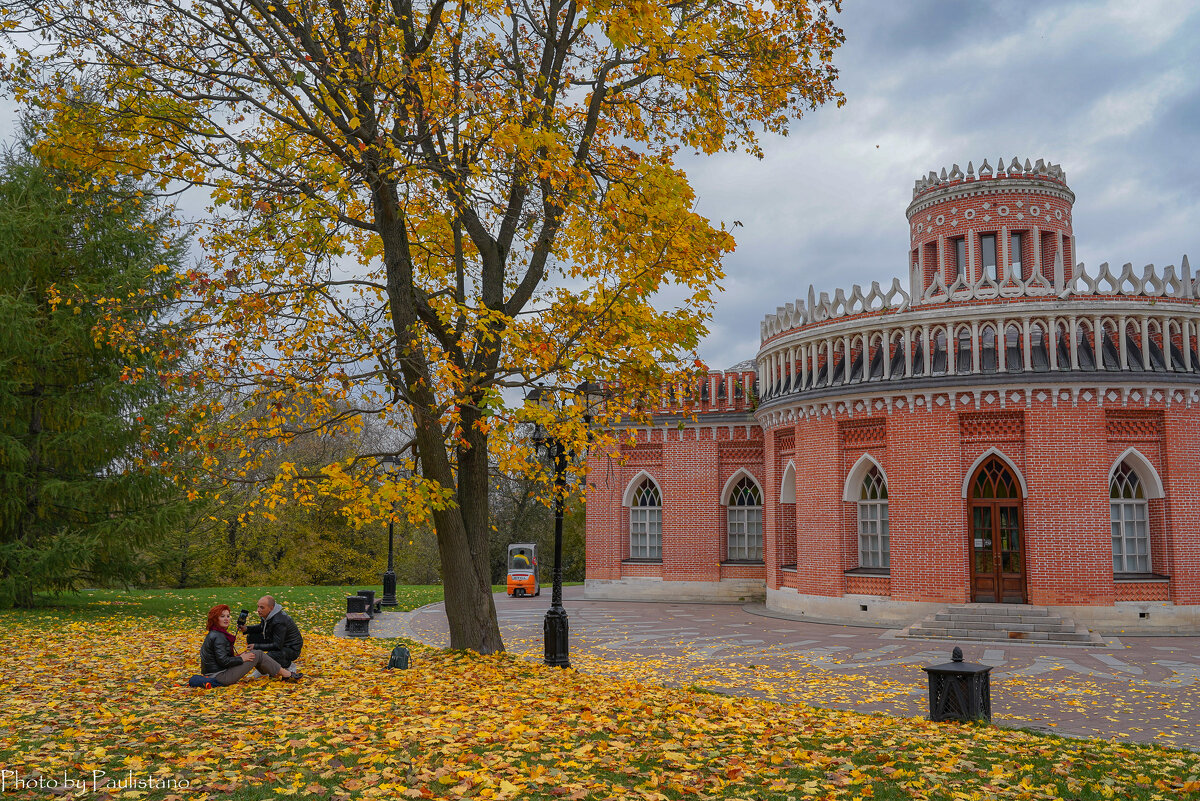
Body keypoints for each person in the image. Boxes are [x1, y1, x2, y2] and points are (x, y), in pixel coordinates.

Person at [200, 604, 300, 685]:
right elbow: (223, 661)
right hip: (220, 677)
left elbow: (221, 659)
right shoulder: (219, 637)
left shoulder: (215, 633)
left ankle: (272, 672)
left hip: (216, 673)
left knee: (254, 653)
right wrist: (241, 658)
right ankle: (287, 674)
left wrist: (241, 656)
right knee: (258, 654)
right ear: (215, 619)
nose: (226, 619)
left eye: (228, 616)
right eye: (222, 616)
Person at [239, 595, 304, 670]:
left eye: (262, 607)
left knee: (270, 656)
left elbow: (277, 645)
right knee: (251, 637)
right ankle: (262, 665)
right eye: (258, 606)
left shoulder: (279, 621)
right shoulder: (266, 614)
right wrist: (246, 629)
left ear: (271, 608)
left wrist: (256, 646)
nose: (258, 610)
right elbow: (261, 627)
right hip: (276, 640)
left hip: (291, 648)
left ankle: (288, 665)